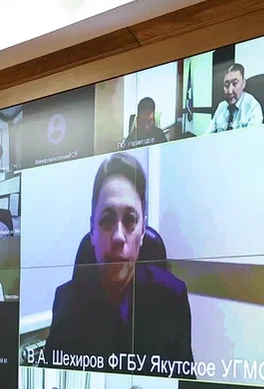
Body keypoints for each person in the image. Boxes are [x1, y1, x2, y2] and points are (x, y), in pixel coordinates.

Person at [44, 152, 194, 370]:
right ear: (92, 230)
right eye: (107, 220)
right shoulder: (66, 302)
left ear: (142, 231)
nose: (118, 237)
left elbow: (185, 384)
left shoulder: (172, 299)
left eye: (130, 220)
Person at [208, 63, 262, 132]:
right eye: (226, 84)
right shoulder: (221, 106)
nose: (230, 91)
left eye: (235, 83)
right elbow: (208, 134)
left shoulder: (252, 106)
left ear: (243, 83)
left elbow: (252, 137)